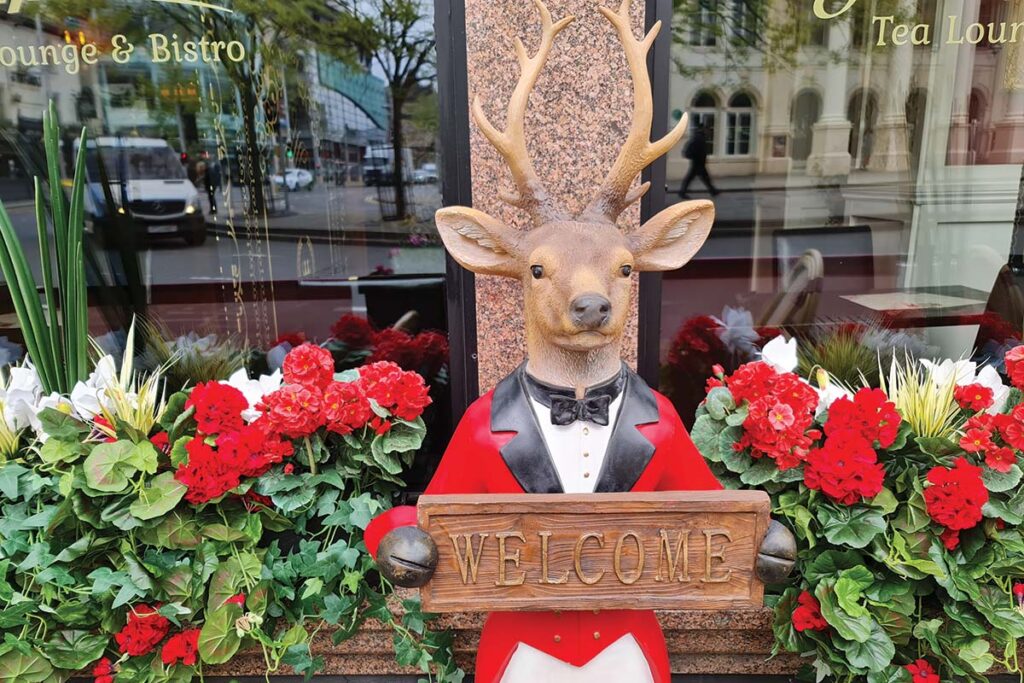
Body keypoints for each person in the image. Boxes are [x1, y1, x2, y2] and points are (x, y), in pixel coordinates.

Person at [679, 124, 719, 198]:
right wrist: (701, 159)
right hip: (698, 162)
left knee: (704, 177)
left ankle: (713, 191)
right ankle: (682, 192)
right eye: (708, 130)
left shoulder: (698, 137)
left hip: (698, 162)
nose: (709, 132)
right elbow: (700, 151)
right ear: (704, 130)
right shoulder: (699, 138)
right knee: (693, 177)